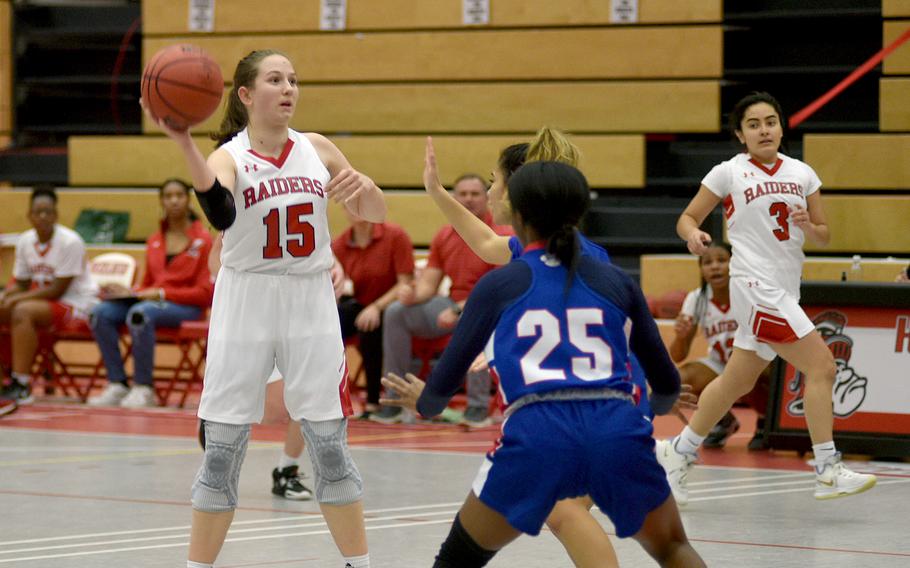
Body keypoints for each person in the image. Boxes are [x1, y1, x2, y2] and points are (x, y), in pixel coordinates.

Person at [382, 161, 703, 568]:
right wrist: (648, 411)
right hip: (616, 429)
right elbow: (667, 385)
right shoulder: (617, 282)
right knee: (673, 548)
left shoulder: (500, 284)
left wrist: (424, 402)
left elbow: (440, 390)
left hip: (537, 435)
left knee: (456, 560)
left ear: (517, 215)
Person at [143, 49, 385, 568]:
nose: (289, 88)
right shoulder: (226, 158)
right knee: (223, 451)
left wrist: (366, 189)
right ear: (247, 95)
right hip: (246, 297)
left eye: (294, 79)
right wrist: (184, 141)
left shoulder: (317, 148)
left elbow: (374, 211)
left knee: (330, 446)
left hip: (309, 297)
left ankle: (359, 565)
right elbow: (221, 211)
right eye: (276, 80)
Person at [654, 91, 877, 505]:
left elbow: (825, 234)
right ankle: (827, 467)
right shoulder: (728, 172)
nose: (764, 130)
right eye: (753, 124)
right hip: (754, 286)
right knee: (823, 366)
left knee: (735, 380)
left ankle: (678, 450)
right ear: (740, 134)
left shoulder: (802, 173)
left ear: (781, 126)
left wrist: (810, 225)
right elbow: (686, 217)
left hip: (784, 287)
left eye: (770, 121)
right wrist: (694, 235)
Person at [371, 174, 511, 428]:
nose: (468, 199)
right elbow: (429, 284)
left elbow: (498, 289)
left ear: (487, 198)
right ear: (454, 198)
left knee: (481, 317)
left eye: (475, 194)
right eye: (463, 194)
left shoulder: (501, 235)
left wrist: (459, 309)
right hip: (451, 304)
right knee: (396, 311)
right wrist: (413, 295)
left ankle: (478, 407)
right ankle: (395, 399)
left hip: (487, 307)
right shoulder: (444, 235)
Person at [88, 178, 213, 408]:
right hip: (151, 303)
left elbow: (205, 294)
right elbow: (148, 284)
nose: (174, 200)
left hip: (186, 308)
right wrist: (129, 291)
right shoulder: (154, 240)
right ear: (161, 202)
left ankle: (144, 387)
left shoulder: (203, 240)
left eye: (179, 195)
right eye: (168, 196)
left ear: (188, 200)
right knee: (100, 313)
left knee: (140, 313)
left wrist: (162, 293)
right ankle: (117, 383)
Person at [0, 186, 99, 417]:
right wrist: (7, 295)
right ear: (29, 215)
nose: (43, 217)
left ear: (56, 215)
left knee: (22, 311)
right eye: (38, 212)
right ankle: (5, 381)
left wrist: (17, 299)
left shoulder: (70, 241)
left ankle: (22, 383)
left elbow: (57, 290)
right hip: (42, 303)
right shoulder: (25, 241)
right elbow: (22, 283)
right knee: (11, 307)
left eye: (48, 212)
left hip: (76, 304)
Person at [668, 242, 770, 450]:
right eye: (707, 262)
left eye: (722, 260)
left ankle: (764, 419)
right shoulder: (697, 299)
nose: (714, 266)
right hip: (720, 364)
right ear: (701, 269)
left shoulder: (750, 292)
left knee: (749, 371)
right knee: (680, 379)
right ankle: (723, 420)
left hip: (753, 361)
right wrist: (680, 336)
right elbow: (678, 355)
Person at [332, 209, 414, 418]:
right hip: (363, 304)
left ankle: (374, 400)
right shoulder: (341, 244)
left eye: (361, 204)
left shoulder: (395, 236)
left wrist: (376, 307)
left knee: (369, 326)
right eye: (350, 205)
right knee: (331, 322)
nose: (357, 210)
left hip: (394, 305)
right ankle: (325, 395)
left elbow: (404, 282)